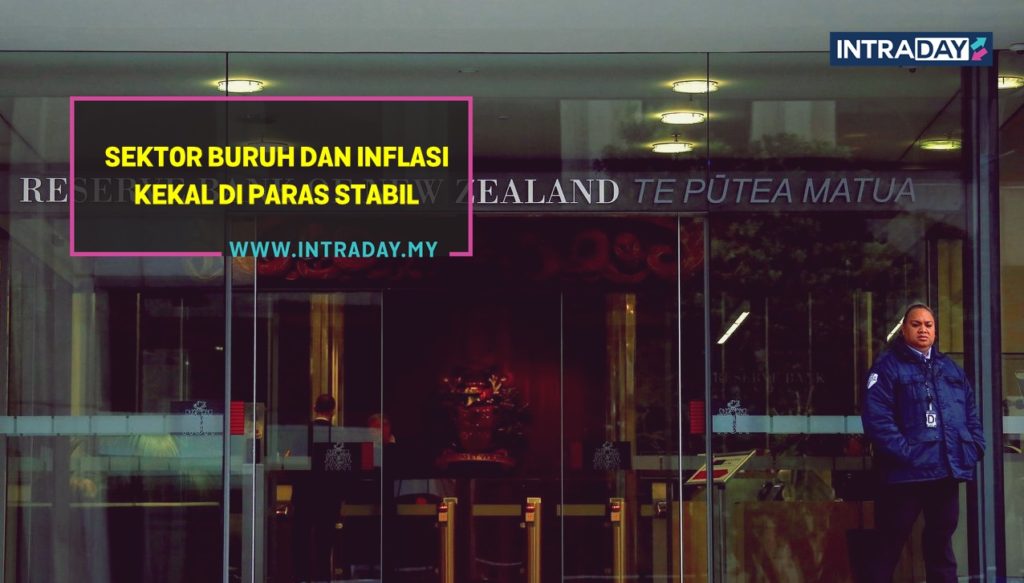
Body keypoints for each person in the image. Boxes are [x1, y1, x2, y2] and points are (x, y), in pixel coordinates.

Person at [862, 303, 985, 583]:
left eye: (928, 325)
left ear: (935, 331)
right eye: (916, 324)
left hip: (945, 472)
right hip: (905, 475)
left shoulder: (949, 369)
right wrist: (906, 454)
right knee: (888, 545)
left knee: (941, 545)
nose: (923, 330)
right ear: (904, 330)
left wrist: (973, 445)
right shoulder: (887, 366)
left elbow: (970, 413)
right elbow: (876, 418)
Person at [293, 394, 343, 582]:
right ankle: (323, 578)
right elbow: (342, 468)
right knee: (324, 544)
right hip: (328, 498)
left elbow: (294, 466)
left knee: (302, 541)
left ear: (315, 408)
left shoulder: (302, 434)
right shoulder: (337, 435)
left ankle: (303, 577)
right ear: (333, 411)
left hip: (304, 495)